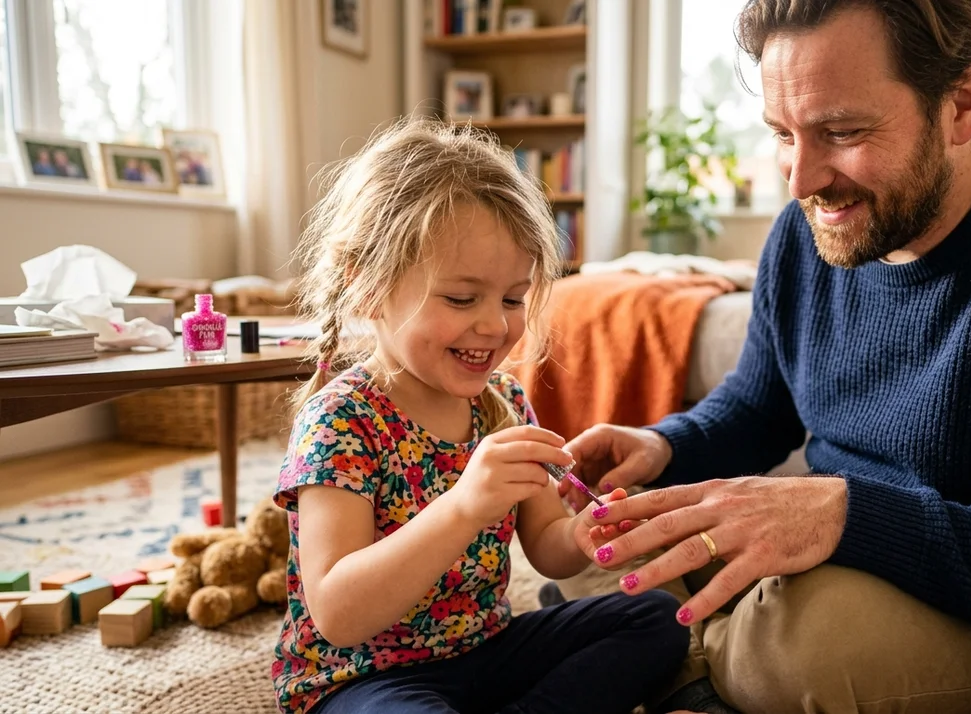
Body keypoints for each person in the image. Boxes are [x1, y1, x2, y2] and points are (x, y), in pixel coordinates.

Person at [558, 2, 971, 714]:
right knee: (601, 537)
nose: (800, 181)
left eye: (841, 132)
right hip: (825, 554)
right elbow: (757, 406)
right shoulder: (806, 233)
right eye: (782, 134)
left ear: (963, 103)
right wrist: (658, 446)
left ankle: (671, 657)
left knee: (801, 652)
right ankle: (693, 657)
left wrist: (842, 514)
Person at [271, 118, 691, 714]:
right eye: (462, 299)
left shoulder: (504, 403)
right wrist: (464, 505)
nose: (495, 326)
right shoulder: (341, 421)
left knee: (654, 619)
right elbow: (338, 614)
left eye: (513, 299)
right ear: (365, 286)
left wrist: (583, 534)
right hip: (360, 678)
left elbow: (546, 545)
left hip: (487, 649)